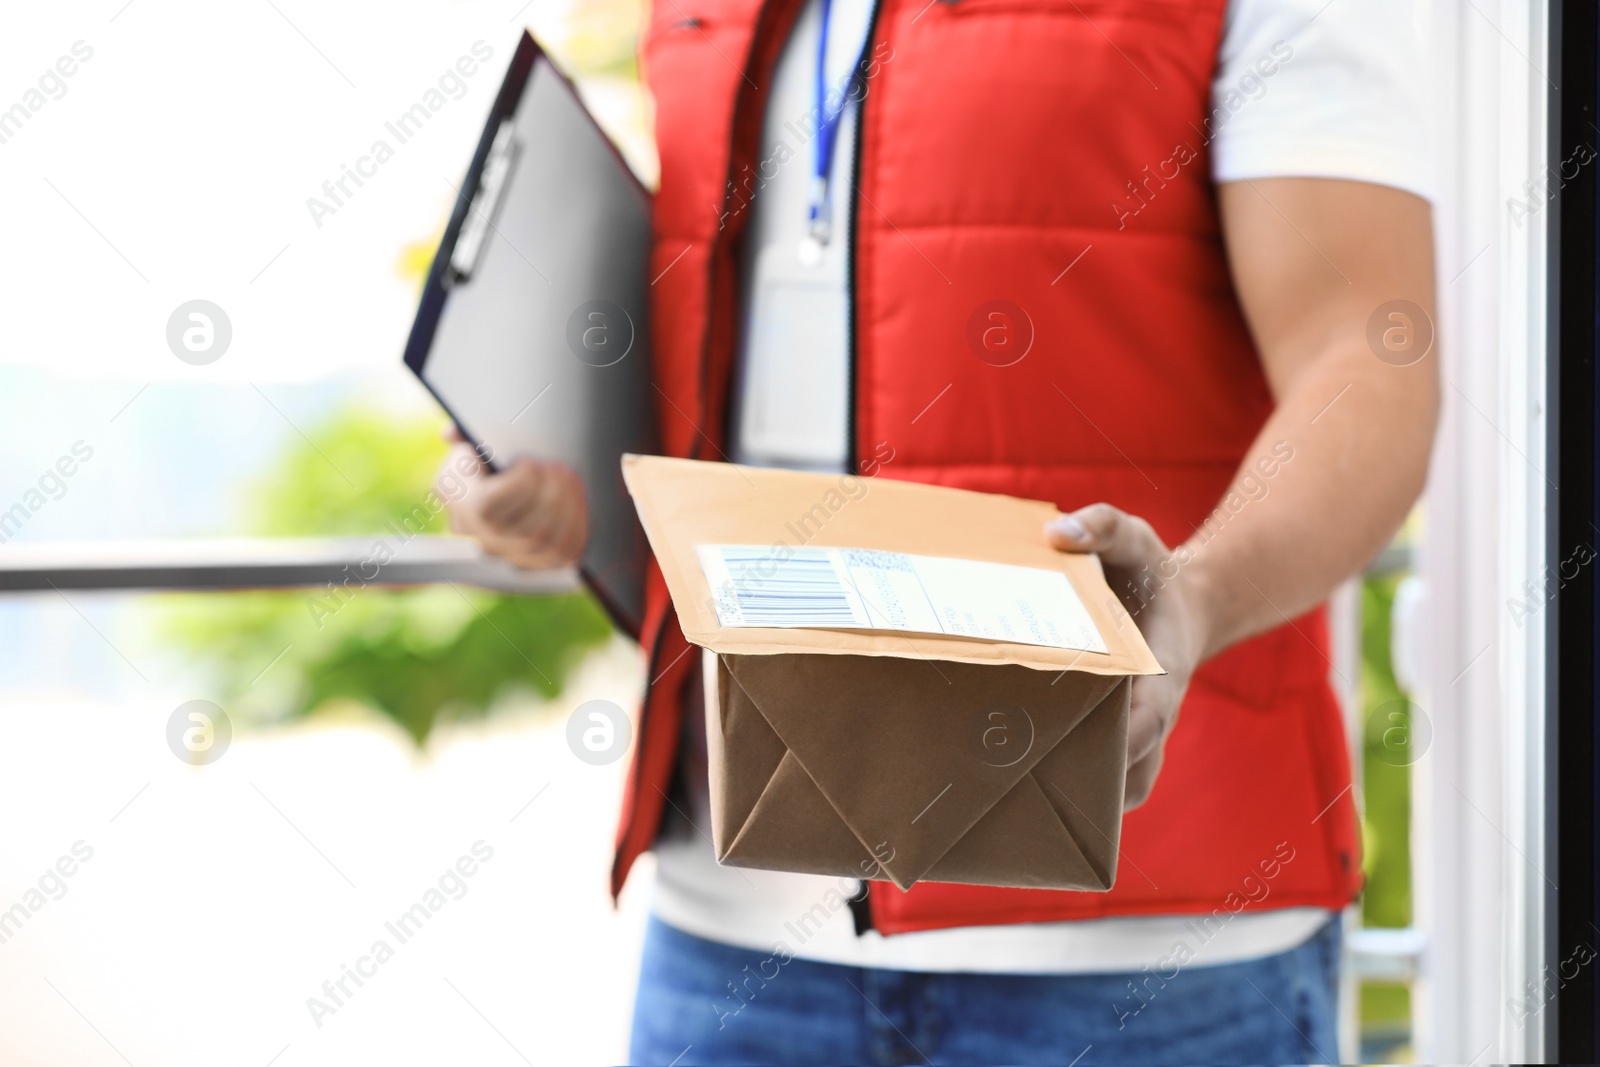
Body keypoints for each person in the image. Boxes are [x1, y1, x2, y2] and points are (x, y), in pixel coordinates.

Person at [439, 0, 1438, 1060]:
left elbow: (1366, 359)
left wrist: (1194, 592)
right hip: (730, 939)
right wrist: (519, 443)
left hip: (1143, 959)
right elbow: (709, 324)